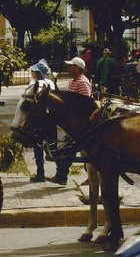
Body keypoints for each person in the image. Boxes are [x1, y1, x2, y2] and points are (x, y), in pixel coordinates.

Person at [47, 57, 92, 185]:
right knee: (68, 150)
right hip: (73, 124)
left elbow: (85, 104)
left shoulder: (82, 82)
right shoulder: (73, 81)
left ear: (78, 68)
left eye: (71, 66)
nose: (68, 68)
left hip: (81, 125)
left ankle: (61, 176)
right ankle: (61, 175)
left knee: (68, 150)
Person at [28, 59, 56, 183]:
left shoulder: (36, 84)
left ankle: (41, 174)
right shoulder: (50, 82)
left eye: (33, 71)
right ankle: (60, 172)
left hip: (39, 119)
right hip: (51, 119)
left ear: (37, 73)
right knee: (52, 146)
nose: (31, 72)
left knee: (38, 146)